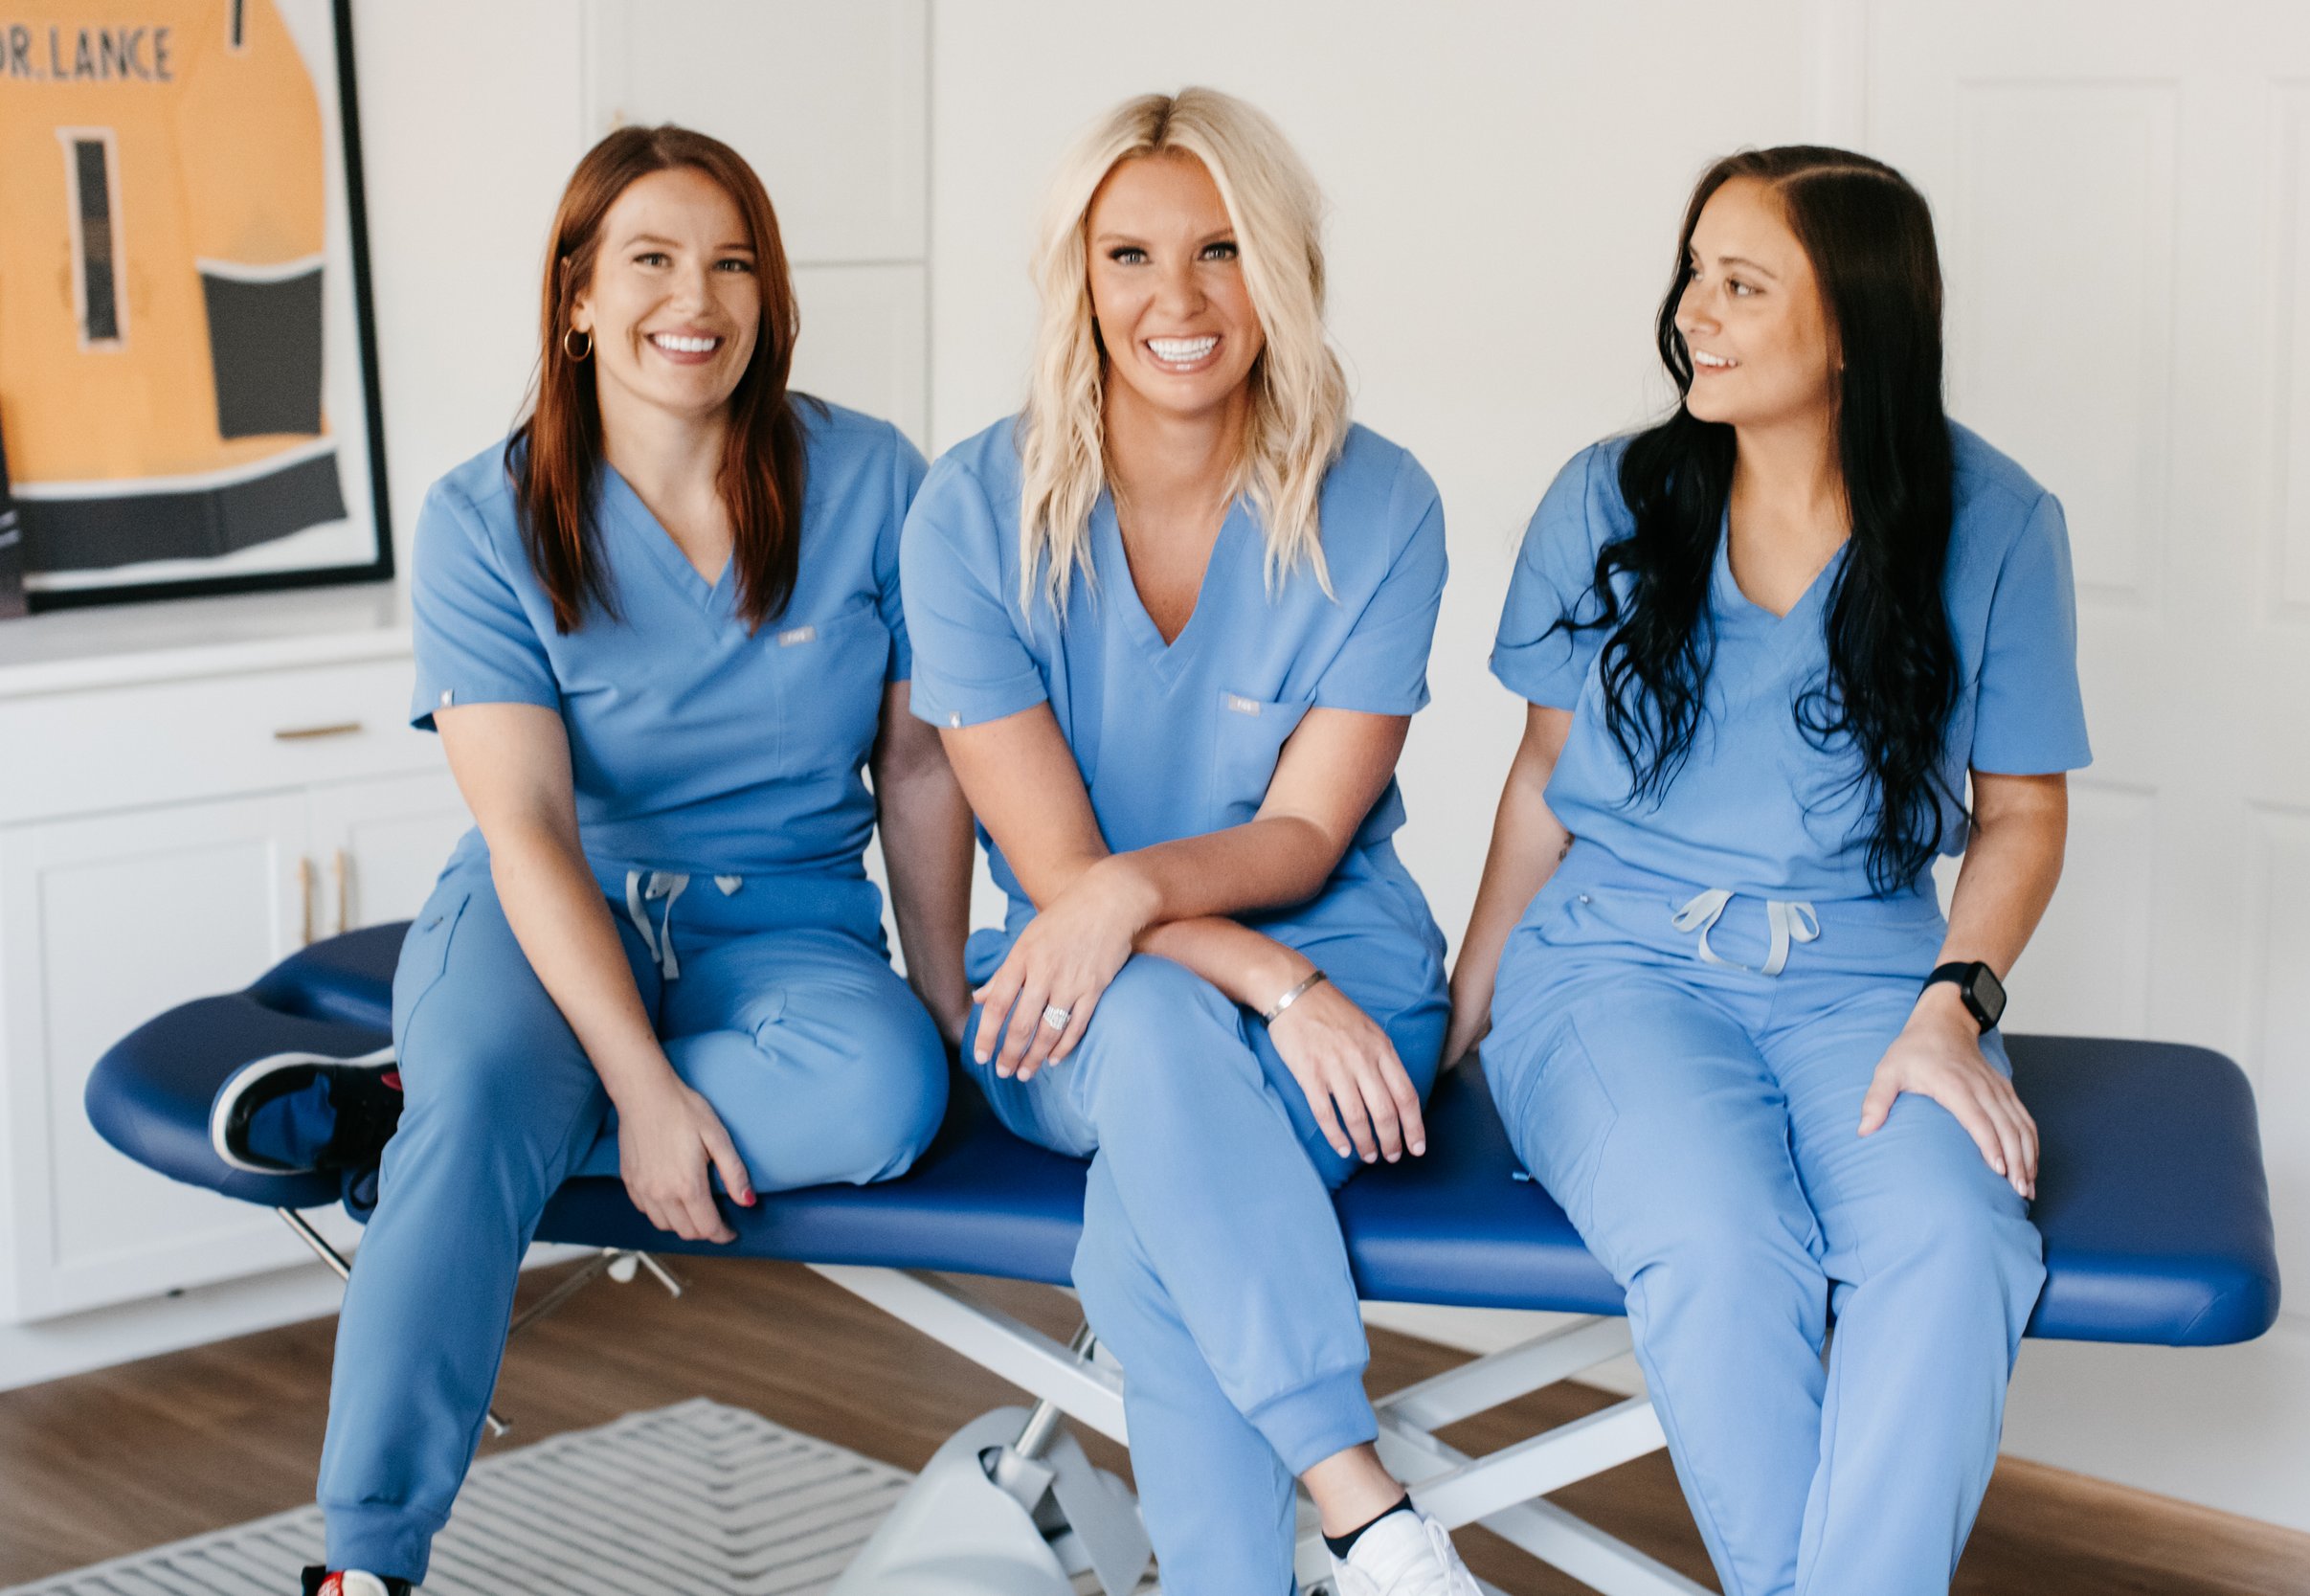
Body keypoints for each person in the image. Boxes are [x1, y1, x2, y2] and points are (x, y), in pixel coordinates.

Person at [210, 125, 973, 1596]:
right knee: (501, 1083)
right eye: (653, 259)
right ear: (575, 296)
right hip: (551, 916)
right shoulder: (478, 519)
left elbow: (924, 764)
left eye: (733, 261)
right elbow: (531, 832)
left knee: (885, 1094)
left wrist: (941, 1005)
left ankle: (419, 1122)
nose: (699, 296)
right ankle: (368, 1564)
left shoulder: (876, 478)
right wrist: (640, 1088)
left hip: (791, 930)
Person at [1446, 146, 2085, 1596]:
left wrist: (1953, 1007)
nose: (1695, 315)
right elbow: (1543, 779)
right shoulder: (1604, 499)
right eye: (1693, 275)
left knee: (1955, 1244)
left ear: (1856, 323)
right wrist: (1462, 1004)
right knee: (1727, 1249)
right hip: (1609, 965)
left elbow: (2023, 817)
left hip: (1871, 974)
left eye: (1742, 284)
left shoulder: (1997, 522)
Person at [901, 89, 1483, 1596]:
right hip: (1078, 986)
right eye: (1131, 256)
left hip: (1337, 967)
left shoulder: (1382, 502)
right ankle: (1364, 1511)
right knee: (1158, 1035)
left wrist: (1219, 937)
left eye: (1221, 250)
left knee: (1148, 1235)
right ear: (1077, 282)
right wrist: (1248, 978)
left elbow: (1303, 832)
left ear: (1281, 269)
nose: (1178, 300)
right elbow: (1054, 880)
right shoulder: (968, 516)